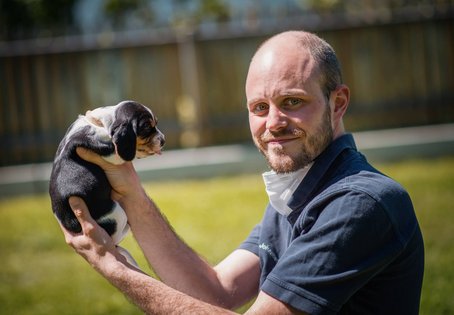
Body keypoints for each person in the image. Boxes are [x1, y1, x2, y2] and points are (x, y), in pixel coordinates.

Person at [59, 30, 424, 314]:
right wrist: (131, 193)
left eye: (292, 102)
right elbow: (218, 290)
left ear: (338, 102)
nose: (273, 123)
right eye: (260, 107)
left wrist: (115, 267)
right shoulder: (302, 188)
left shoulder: (359, 204)